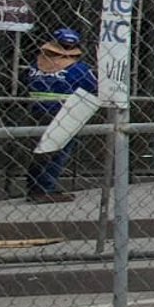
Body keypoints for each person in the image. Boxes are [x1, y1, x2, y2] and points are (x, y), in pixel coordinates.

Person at [26, 28, 97, 203]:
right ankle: (46, 188)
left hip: (37, 111)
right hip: (64, 113)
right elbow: (93, 86)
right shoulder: (78, 69)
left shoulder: (35, 66)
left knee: (40, 151)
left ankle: (35, 187)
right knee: (58, 152)